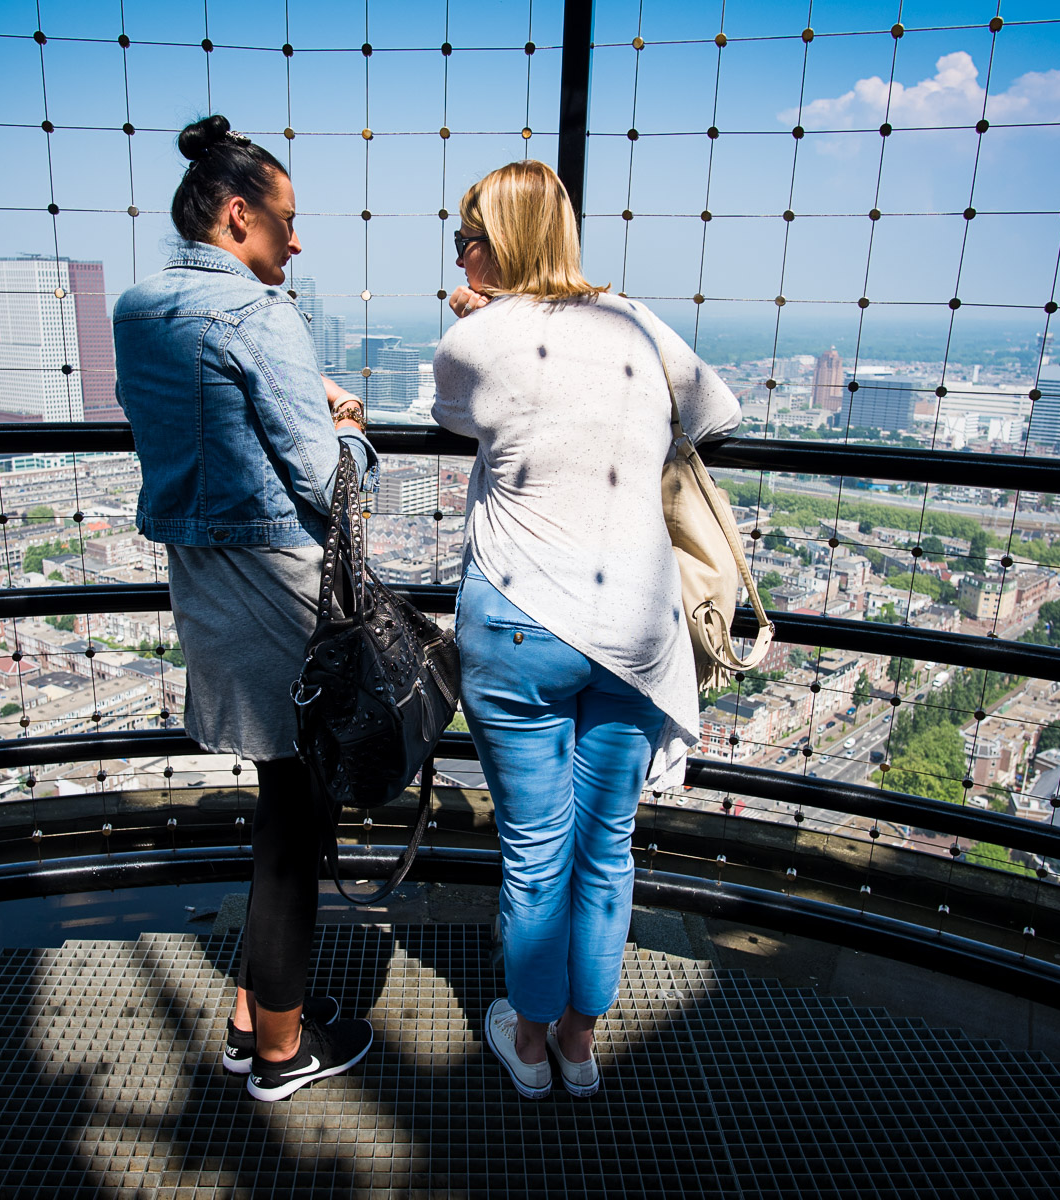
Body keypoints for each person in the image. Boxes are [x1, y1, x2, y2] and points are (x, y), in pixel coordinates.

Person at [432, 160, 741, 1099]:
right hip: (633, 627)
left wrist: (470, 312)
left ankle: (526, 1045)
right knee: (607, 849)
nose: (459, 254)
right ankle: (578, 1043)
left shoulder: (479, 338)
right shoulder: (636, 323)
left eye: (468, 238)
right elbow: (714, 414)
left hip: (520, 619)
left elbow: (456, 419)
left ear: (502, 245)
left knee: (536, 852)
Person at [113, 114, 375, 1103]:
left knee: (280, 806)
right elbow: (327, 489)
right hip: (280, 598)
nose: (297, 240)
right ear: (238, 216)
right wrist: (349, 427)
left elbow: (206, 421)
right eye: (288, 220)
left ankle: (248, 1023)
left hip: (207, 592)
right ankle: (281, 1053)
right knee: (293, 828)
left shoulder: (138, 310)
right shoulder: (261, 317)